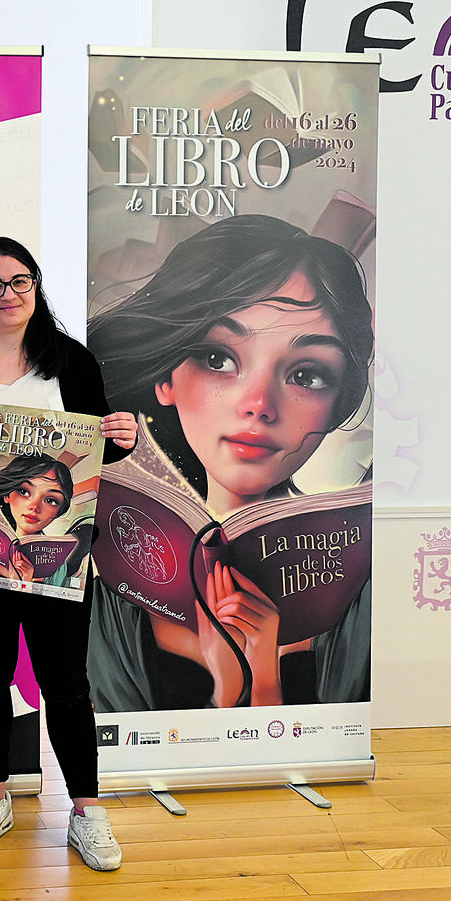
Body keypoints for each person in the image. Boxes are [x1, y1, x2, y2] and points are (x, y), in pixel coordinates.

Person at [84, 214, 373, 711]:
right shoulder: (107, 569)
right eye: (218, 358)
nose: (258, 403)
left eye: (307, 374)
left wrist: (262, 683)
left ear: (338, 400)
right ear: (165, 380)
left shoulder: (360, 580)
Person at [0, 236, 137, 872]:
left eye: (20, 282)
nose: (8, 295)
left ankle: (86, 808)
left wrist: (120, 436)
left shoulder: (69, 360)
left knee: (66, 684)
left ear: (36, 288)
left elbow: (96, 452)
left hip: (59, 556)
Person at [0, 454, 90, 588]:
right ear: (7, 495)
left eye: (50, 500)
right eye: (24, 492)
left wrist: (26, 586)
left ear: (59, 511)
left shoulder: (57, 567)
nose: (35, 507)